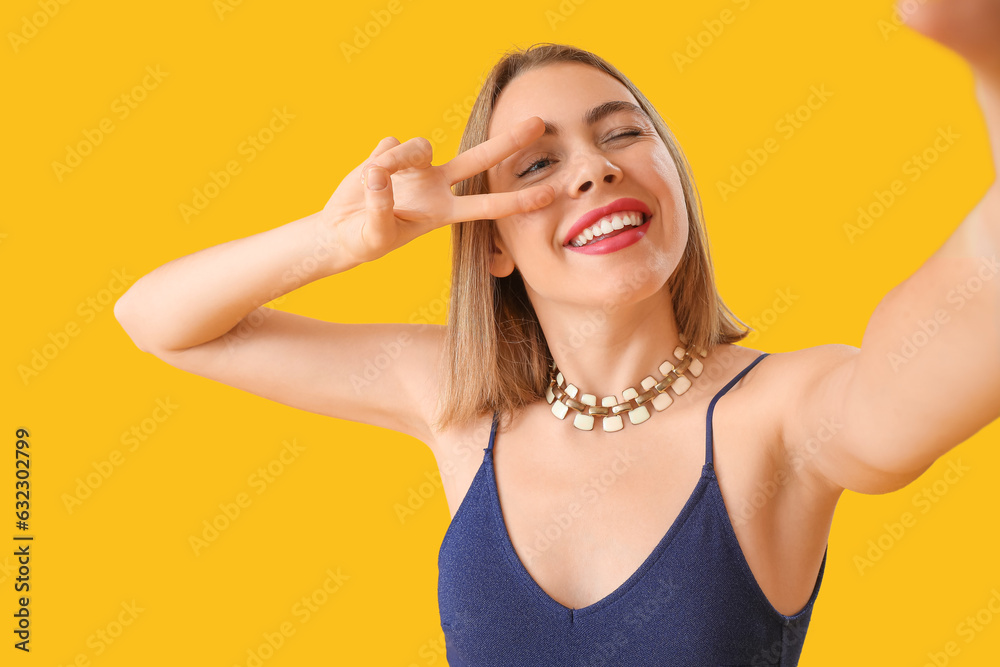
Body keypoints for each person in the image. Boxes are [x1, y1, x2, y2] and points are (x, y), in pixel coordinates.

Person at [113, 3, 1000, 664]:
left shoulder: (781, 416)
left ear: (675, 185)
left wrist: (990, 62)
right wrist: (337, 239)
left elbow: (963, 316)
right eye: (538, 165)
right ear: (491, 242)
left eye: (622, 135)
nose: (596, 168)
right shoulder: (460, 409)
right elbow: (161, 323)